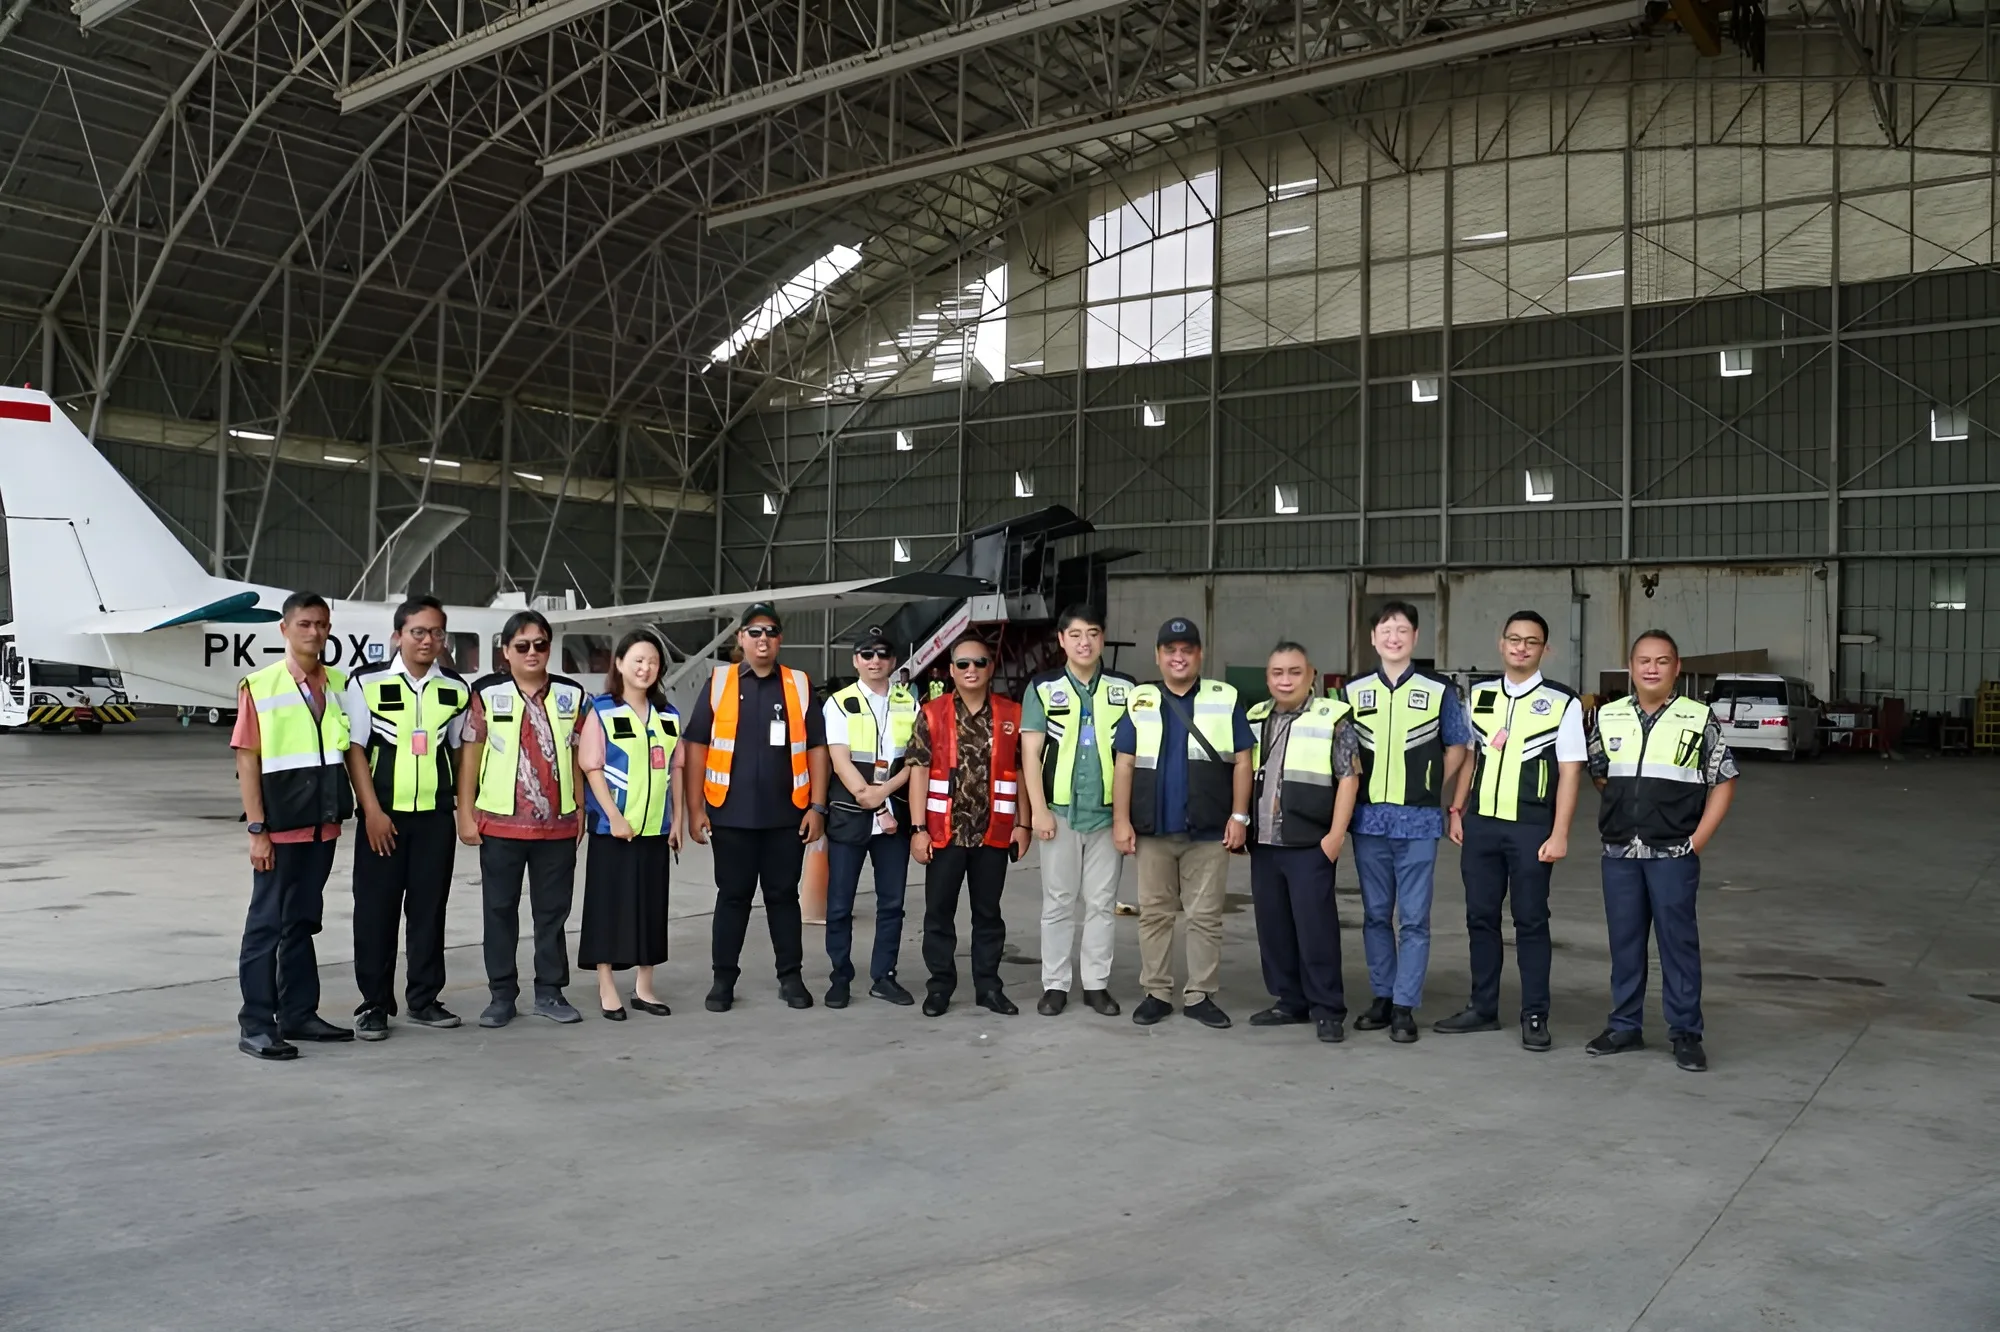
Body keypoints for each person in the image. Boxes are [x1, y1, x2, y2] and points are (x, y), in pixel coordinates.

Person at [1585, 629, 1739, 1072]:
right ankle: (1624, 1026)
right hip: (1619, 853)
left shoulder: (1698, 718)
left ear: (1677, 668)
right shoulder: (1608, 717)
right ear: (1631, 667)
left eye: (1662, 661)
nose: (1652, 668)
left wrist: (1698, 839)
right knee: (1625, 944)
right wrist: (1626, 812)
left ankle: (1685, 1032)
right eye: (1643, 661)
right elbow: (1601, 774)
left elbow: (1724, 779)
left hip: (1673, 854)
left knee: (1678, 944)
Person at [1436, 611, 1586, 1050]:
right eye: (1514, 639)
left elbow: (1571, 773)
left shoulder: (1563, 702)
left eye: (1532, 641)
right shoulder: (1479, 696)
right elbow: (1470, 756)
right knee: (1480, 918)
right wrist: (1458, 809)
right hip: (1481, 826)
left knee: (1531, 922)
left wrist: (1560, 833)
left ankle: (1534, 1014)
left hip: (1531, 828)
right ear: (1501, 644)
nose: (1521, 647)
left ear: (1545, 650)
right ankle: (1482, 1008)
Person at [680, 603, 829, 1012]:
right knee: (732, 897)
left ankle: (791, 977)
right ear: (741, 638)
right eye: (755, 632)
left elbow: (817, 746)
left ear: (779, 639)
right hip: (730, 815)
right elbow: (696, 746)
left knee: (784, 897)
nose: (763, 640)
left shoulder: (798, 685)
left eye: (771, 632)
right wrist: (696, 808)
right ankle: (723, 979)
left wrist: (817, 806)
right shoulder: (720, 682)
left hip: (788, 816)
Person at [1112, 617, 1255, 1030]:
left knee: (1205, 916)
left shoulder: (1224, 698)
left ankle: (1200, 995)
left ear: (1200, 655)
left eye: (1187, 649)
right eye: (1170, 650)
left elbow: (1243, 760)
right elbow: (1124, 763)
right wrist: (1122, 820)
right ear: (1158, 656)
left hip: (1209, 831)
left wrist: (1239, 815)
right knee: (1154, 915)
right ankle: (1156, 992)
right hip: (1153, 830)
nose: (1179, 656)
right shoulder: (1140, 700)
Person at [230, 591, 355, 1060]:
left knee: (302, 922)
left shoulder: (340, 683)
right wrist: (257, 829)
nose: (315, 632)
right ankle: (257, 1024)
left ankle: (299, 1013)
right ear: (285, 630)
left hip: (323, 826)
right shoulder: (260, 686)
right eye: (305, 624)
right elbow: (247, 759)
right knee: (266, 925)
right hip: (279, 828)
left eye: (322, 624)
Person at [341, 595, 472, 1040]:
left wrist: (463, 808)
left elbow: (459, 749)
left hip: (435, 817)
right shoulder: (366, 682)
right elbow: (355, 749)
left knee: (429, 911)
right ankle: (374, 1004)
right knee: (375, 912)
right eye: (418, 631)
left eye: (437, 632)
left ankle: (424, 999)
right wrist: (371, 811)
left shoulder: (456, 688)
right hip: (384, 819)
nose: (428, 640)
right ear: (398, 636)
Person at [1342, 601, 1470, 1045]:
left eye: (1402, 630)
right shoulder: (1353, 691)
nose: (1393, 637)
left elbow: (1458, 744)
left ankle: (1404, 1004)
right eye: (1385, 630)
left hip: (1418, 822)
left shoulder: (1438, 690)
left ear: (1415, 638)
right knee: (1376, 915)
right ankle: (1381, 996)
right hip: (1369, 821)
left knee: (1414, 919)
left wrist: (1434, 785)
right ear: (1374, 638)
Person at [457, 610, 589, 1028]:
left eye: (540, 645)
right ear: (506, 651)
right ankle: (502, 994)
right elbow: (471, 755)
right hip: (499, 823)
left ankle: (550, 991)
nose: (532, 653)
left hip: (559, 826)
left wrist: (580, 807)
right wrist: (465, 811)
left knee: (553, 913)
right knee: (499, 909)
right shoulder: (486, 693)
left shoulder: (571, 695)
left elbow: (578, 756)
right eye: (522, 646)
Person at [907, 632, 1031, 1017]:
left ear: (991, 667)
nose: (971, 669)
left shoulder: (1012, 714)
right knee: (939, 914)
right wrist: (917, 829)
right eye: (963, 664)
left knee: (988, 914)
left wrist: (1023, 825)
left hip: (993, 833)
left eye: (979, 662)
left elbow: (1023, 771)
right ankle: (940, 986)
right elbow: (919, 772)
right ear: (950, 670)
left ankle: (989, 987)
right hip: (945, 833)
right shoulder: (931, 712)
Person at [1020, 605, 1134, 1018]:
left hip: (1106, 815)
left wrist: (1124, 817)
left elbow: (1130, 755)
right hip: (1061, 812)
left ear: (1102, 639)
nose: (1085, 642)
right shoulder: (1044, 687)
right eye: (1076, 635)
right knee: (1058, 902)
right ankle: (1054, 984)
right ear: (1062, 640)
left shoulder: (1125, 688)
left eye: (1093, 634)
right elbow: (1030, 753)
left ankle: (1096, 985)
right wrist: (1039, 811)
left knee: (1102, 903)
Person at [1245, 642, 1362, 1044]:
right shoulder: (1255, 718)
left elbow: (1349, 777)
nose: (1285, 680)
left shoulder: (1332, 719)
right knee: (1274, 927)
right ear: (1267, 677)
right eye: (1277, 672)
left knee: (1316, 929)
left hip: (1310, 842)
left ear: (1311, 674)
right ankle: (1289, 1000)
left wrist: (1334, 836)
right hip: (1264, 841)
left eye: (1294, 672)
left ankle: (1328, 1008)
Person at [576, 632, 684, 1020]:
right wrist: (614, 817)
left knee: (651, 908)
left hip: (656, 829)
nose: (645, 668)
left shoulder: (669, 715)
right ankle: (606, 985)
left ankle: (645, 986)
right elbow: (591, 769)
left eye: (653, 661)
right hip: (613, 831)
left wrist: (678, 821)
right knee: (609, 906)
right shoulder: (602, 711)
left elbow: (677, 770)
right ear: (619, 663)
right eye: (637, 660)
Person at [821, 626, 919, 1007]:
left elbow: (915, 760)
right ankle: (840, 976)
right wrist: (867, 796)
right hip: (850, 814)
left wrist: (883, 792)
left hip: (894, 816)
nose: (874, 660)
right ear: (855, 661)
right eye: (866, 654)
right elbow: (839, 759)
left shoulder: (909, 703)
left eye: (881, 654)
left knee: (892, 903)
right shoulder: (839, 702)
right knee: (840, 903)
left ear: (893, 661)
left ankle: (884, 976)